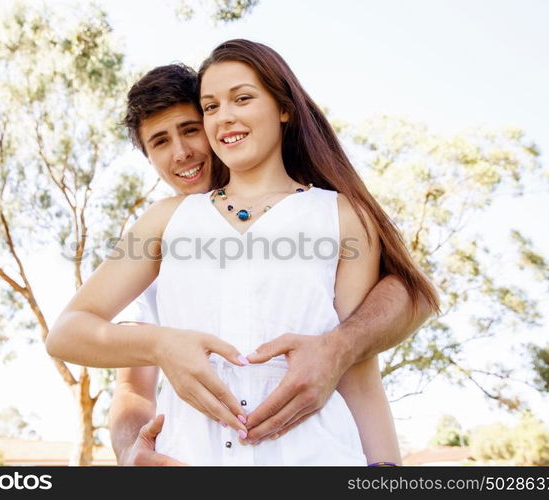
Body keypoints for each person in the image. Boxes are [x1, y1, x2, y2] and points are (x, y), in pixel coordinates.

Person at [46, 42, 439, 464]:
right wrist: (132, 440)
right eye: (211, 107)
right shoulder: (166, 221)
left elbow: (359, 369)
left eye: (242, 99)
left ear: (283, 107)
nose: (183, 150)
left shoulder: (340, 215)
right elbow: (84, 345)